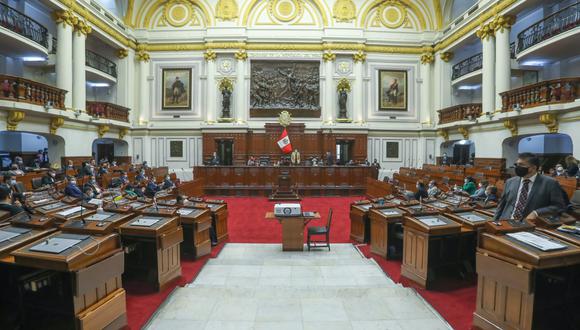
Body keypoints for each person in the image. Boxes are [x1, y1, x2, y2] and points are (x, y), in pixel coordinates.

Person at [494, 153, 566, 221]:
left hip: (530, 225)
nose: (517, 167)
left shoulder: (550, 183)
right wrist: (494, 221)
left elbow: (559, 206)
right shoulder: (510, 181)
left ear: (533, 168)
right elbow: (501, 205)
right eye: (516, 164)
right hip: (506, 222)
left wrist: (537, 213)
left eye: (521, 165)